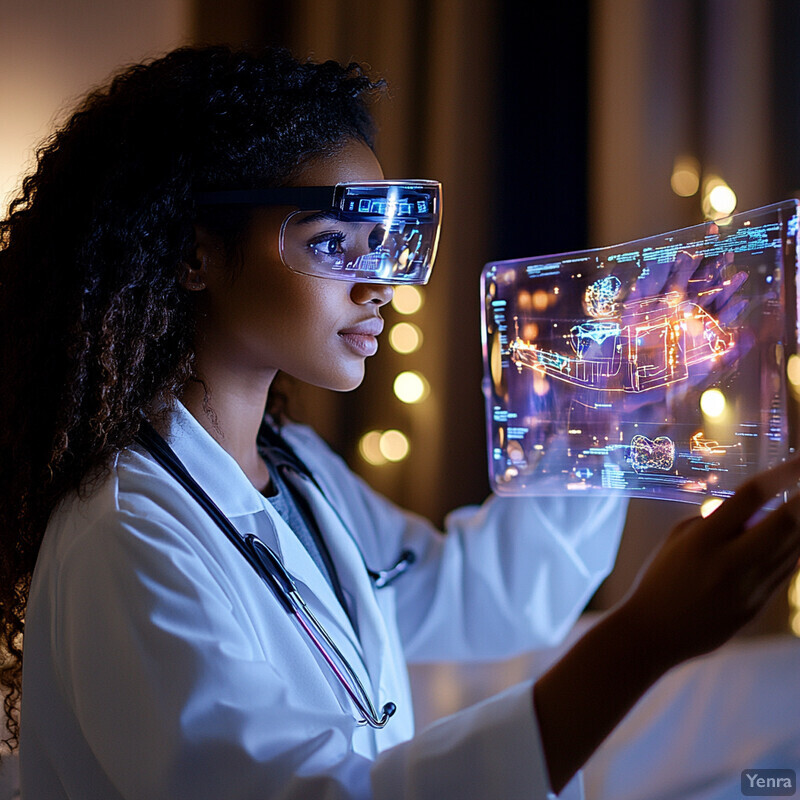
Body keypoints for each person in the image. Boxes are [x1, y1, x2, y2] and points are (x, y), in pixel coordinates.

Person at [1, 45, 799, 800]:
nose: (379, 284)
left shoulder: (296, 471)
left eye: (381, 246)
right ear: (194, 255)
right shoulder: (127, 532)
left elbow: (468, 597)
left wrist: (604, 407)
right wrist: (643, 642)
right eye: (332, 243)